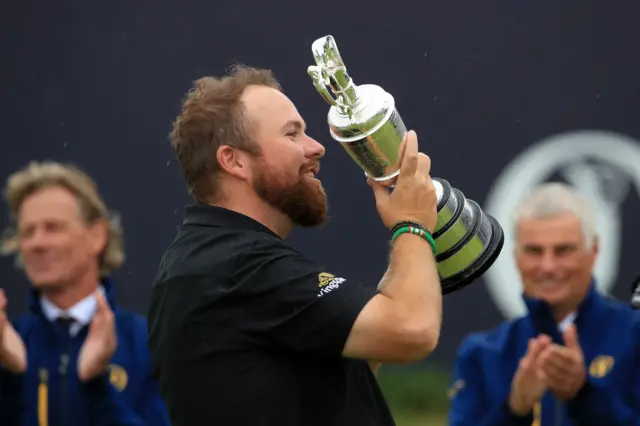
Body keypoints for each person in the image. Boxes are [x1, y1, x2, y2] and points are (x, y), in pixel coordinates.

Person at [147, 65, 443, 426]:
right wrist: (411, 226)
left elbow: (362, 358)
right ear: (234, 160)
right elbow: (411, 331)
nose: (316, 147)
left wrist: (413, 255)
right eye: (293, 134)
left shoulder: (218, 259)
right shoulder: (238, 266)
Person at [447, 182, 640, 425]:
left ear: (594, 250)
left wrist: (584, 395)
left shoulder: (634, 336)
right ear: (516, 257)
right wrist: (515, 410)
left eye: (563, 250)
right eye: (534, 251)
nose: (548, 267)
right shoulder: (482, 354)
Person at [0, 161, 171, 426]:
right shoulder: (9, 345)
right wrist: (10, 377)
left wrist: (96, 385)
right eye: (27, 232)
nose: (37, 243)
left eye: (53, 227)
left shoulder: (146, 344)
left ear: (97, 236)